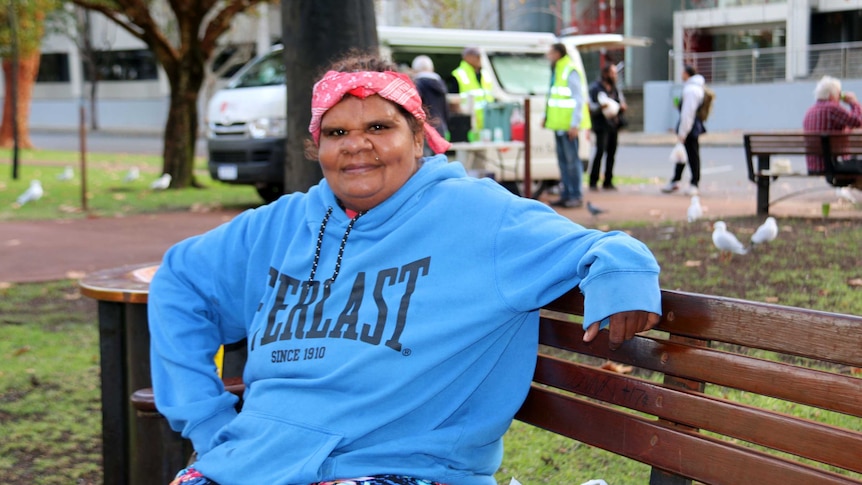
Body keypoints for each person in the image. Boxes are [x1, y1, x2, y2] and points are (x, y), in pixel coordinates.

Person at [149, 52, 662, 485]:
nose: (356, 143)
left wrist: (621, 278)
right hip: (252, 460)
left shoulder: (482, 216)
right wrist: (206, 419)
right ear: (317, 146)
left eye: (379, 126)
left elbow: (605, 248)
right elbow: (180, 281)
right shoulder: (281, 223)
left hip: (405, 468)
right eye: (336, 131)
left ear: (419, 137)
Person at [544, 42, 591, 208]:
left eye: (550, 52)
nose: (548, 56)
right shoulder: (557, 69)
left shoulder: (569, 69)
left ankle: (575, 195)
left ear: (558, 53)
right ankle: (566, 193)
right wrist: (546, 116)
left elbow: (578, 99)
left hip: (568, 126)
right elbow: (552, 96)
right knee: (563, 162)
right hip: (558, 124)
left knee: (572, 162)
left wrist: (574, 124)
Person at [802, 75, 862, 184]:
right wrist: (854, 102)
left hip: (814, 165)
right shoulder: (832, 108)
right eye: (839, 94)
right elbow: (858, 121)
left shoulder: (810, 111)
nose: (840, 98)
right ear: (831, 95)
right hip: (833, 165)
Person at [661, 64, 705, 196]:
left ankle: (693, 183)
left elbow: (688, 113)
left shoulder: (691, 90)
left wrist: (683, 132)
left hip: (689, 127)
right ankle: (676, 180)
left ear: (687, 73)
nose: (681, 74)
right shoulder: (695, 87)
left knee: (692, 155)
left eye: (682, 72)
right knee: (684, 155)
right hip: (691, 126)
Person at [588, 63, 627, 191]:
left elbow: (621, 102)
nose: (614, 76)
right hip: (601, 125)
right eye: (612, 73)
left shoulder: (615, 88)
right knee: (600, 152)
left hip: (613, 125)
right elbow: (591, 107)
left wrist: (621, 107)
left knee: (611, 153)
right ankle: (593, 181)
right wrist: (601, 107)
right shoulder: (595, 88)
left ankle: (608, 180)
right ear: (605, 74)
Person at [411, 55, 450, 156]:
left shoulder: (417, 85)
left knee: (425, 162)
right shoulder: (441, 85)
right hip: (440, 127)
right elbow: (446, 109)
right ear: (432, 69)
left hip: (425, 128)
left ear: (414, 70)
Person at [450, 46, 494, 131]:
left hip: (487, 125)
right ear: (467, 57)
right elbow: (454, 103)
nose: (479, 58)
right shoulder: (458, 75)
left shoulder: (485, 74)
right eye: (476, 56)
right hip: (468, 125)